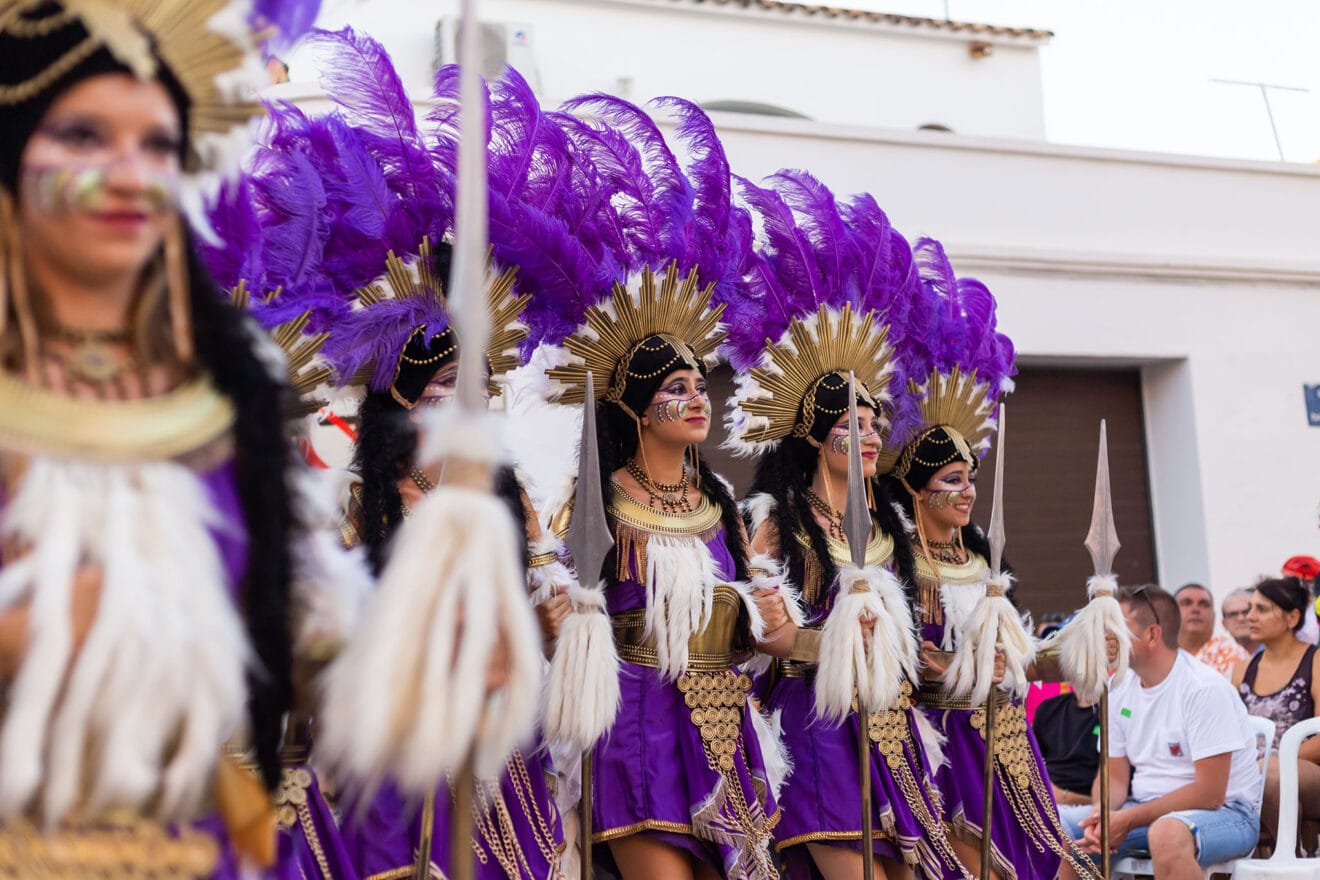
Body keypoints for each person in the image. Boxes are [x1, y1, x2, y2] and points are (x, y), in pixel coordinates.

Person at [213, 48, 606, 879]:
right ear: (397, 399)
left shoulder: (505, 493)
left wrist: (563, 622)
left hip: (495, 744)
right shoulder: (353, 495)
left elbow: (538, 599)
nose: (457, 406)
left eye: (470, 389)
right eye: (436, 390)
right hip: (395, 744)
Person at [0, 1, 323, 874]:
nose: (130, 174)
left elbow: (299, 627)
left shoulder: (225, 396)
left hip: (199, 843)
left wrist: (422, 655)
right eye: (82, 136)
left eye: (156, 145)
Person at [544, 94, 784, 880]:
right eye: (676, 389)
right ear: (637, 408)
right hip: (638, 731)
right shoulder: (599, 503)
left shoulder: (721, 504)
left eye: (699, 385)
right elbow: (568, 621)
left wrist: (771, 620)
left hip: (725, 725)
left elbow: (758, 634)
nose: (697, 400)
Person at [723, 175, 965, 880]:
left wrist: (953, 660)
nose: (869, 436)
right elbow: (763, 636)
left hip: (893, 720)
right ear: (813, 433)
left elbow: (914, 634)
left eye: (875, 423)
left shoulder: (892, 523)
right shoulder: (773, 520)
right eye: (851, 425)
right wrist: (835, 643)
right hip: (818, 721)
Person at [879, 238, 1098, 880]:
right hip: (940, 740)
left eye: (970, 478)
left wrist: (1080, 649)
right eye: (951, 480)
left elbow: (1018, 658)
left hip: (1006, 736)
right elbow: (897, 659)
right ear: (916, 488)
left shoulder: (983, 565)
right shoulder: (895, 563)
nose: (968, 491)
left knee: (1047, 865)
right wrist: (957, 666)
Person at [1059, 585, 1261, 880]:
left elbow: (1210, 795)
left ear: (1152, 634)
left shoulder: (1203, 688)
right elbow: (1114, 777)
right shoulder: (1119, 687)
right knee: (1050, 826)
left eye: (1116, 626)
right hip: (1145, 810)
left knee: (1166, 833)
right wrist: (1101, 817)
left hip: (1229, 814)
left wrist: (1127, 819)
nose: (1107, 636)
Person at [1231, 577, 1320, 853]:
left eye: (1262, 609)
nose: (1250, 616)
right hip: (1251, 769)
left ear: (1292, 617)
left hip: (1306, 768)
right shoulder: (1243, 669)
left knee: (1270, 774)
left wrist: (1273, 760)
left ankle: (1290, 860)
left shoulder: (1315, 661)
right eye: (1250, 608)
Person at [1031, 691, 1099, 809]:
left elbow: (1118, 789)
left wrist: (1064, 797)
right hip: (1047, 801)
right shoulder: (1048, 708)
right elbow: (1030, 763)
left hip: (1091, 806)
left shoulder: (1116, 710)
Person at [1176, 582, 1249, 676]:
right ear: (1171, 613)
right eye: (1186, 603)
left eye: (1204, 604)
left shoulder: (1232, 654)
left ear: (1214, 616)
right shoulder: (1162, 655)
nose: (1195, 609)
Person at [1223, 588, 1261, 655]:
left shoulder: (1277, 652)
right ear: (1224, 624)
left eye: (1246, 612)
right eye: (1233, 614)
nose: (1240, 619)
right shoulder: (1217, 658)